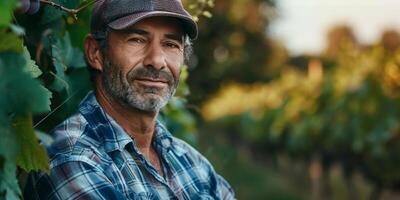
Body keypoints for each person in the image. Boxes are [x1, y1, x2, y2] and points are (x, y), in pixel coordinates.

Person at [24, 0, 235, 199]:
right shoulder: (70, 158)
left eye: (170, 44)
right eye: (137, 39)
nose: (157, 61)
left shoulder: (194, 163)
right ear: (95, 52)